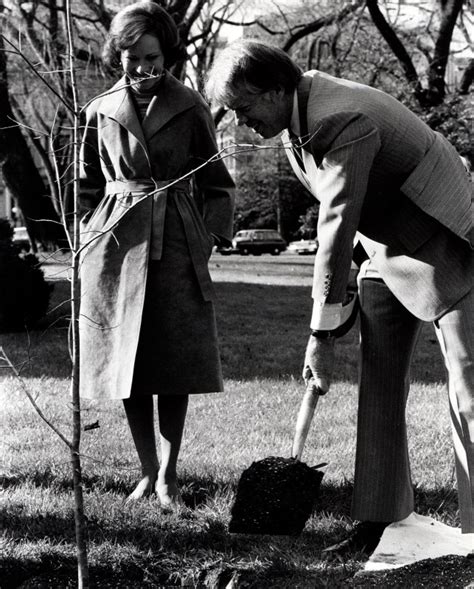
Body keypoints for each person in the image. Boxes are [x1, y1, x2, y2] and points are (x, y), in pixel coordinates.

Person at [205, 39, 473, 553]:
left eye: (244, 108)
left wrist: (319, 335)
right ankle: (380, 523)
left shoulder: (339, 118)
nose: (240, 123)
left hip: (445, 234)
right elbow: (346, 212)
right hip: (384, 244)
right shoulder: (293, 121)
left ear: (277, 90)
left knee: (468, 387)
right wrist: (345, 294)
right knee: (379, 379)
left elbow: (334, 225)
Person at [78, 1, 234, 506]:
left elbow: (218, 184)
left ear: (167, 54)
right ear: (116, 56)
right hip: (116, 244)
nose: (144, 69)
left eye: (153, 57)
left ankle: (168, 474)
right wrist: (87, 235)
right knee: (128, 363)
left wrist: (207, 238)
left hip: (176, 243)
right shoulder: (98, 110)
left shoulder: (191, 107)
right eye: (133, 58)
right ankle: (146, 469)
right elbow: (83, 185)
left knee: (173, 361)